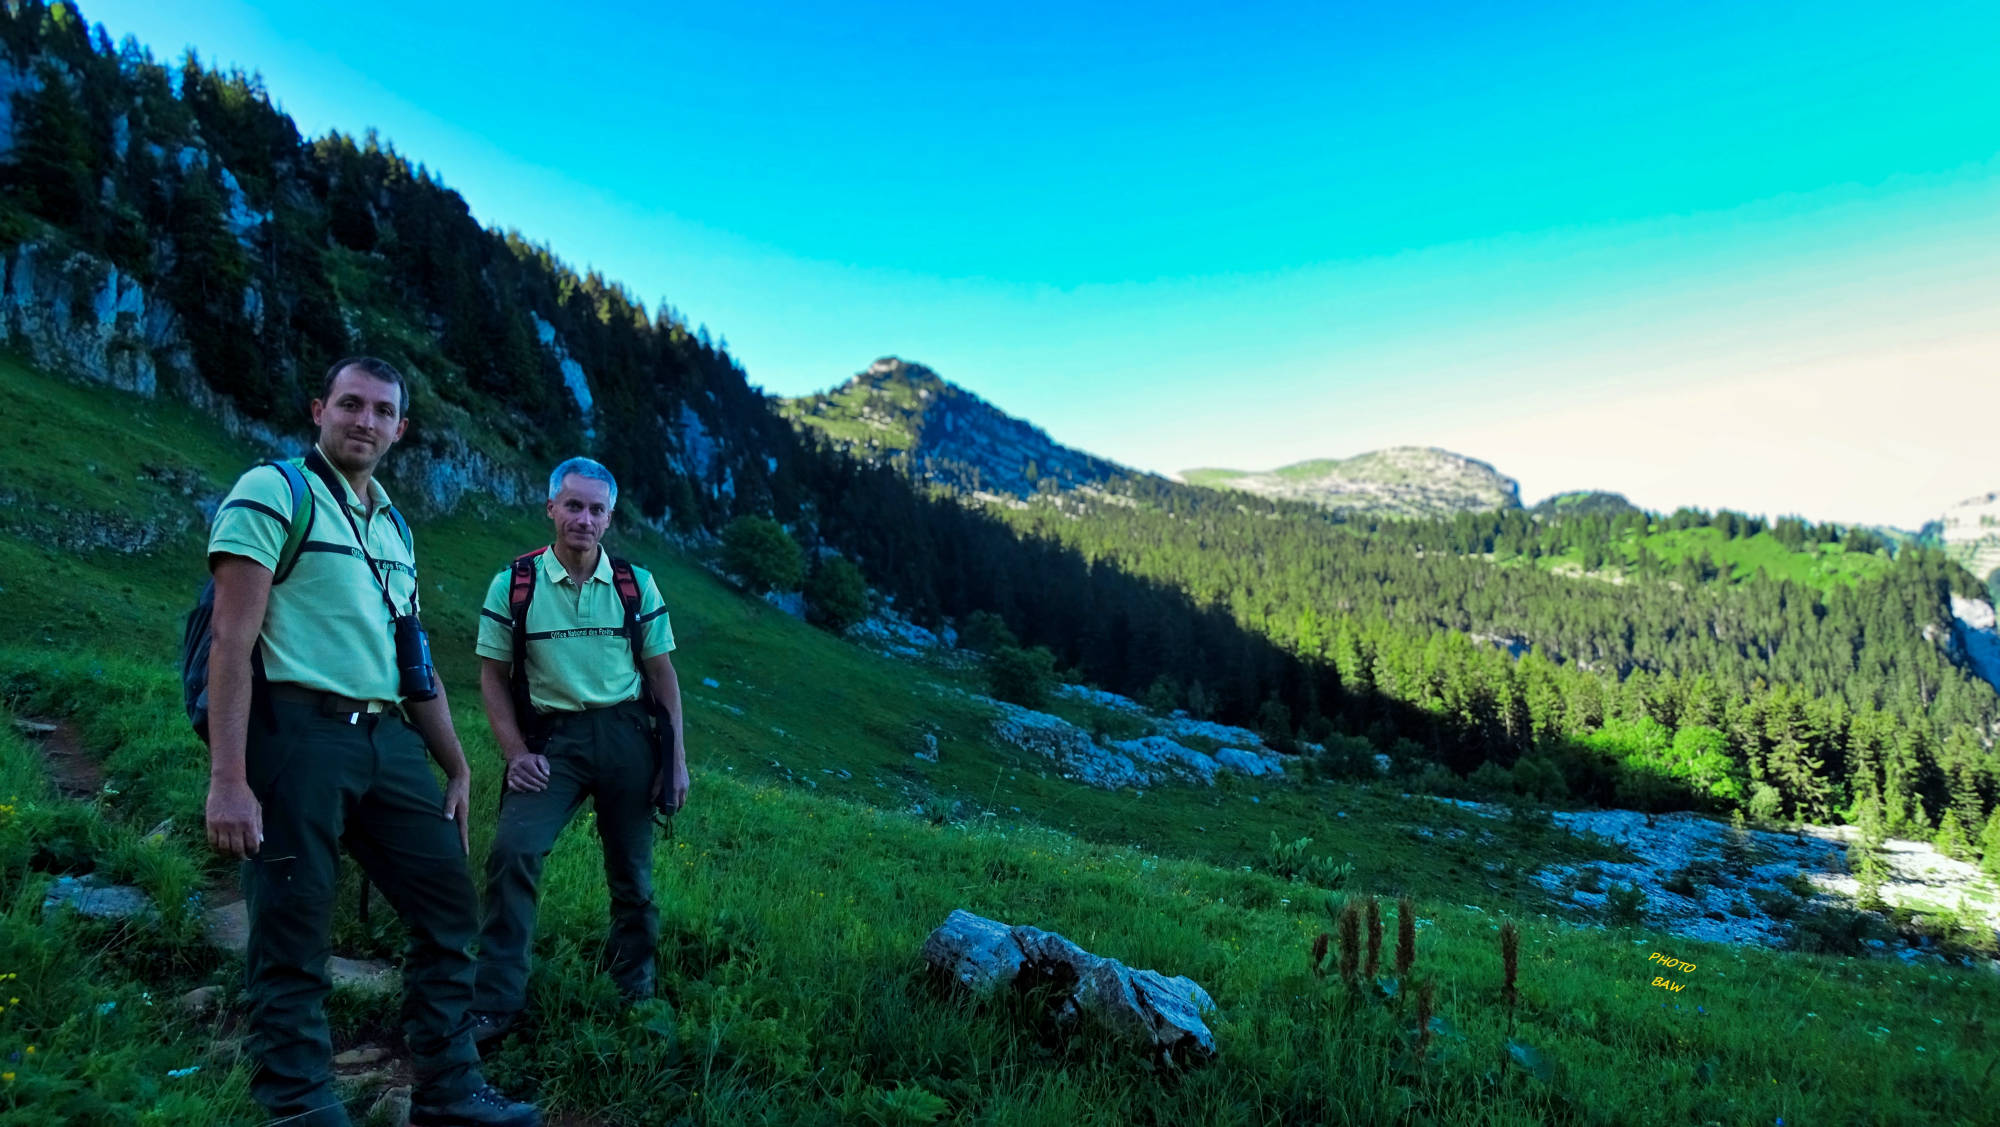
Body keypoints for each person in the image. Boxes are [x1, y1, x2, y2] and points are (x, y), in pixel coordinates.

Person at [204, 357, 540, 1127]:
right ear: (319, 409)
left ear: (400, 428)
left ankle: (450, 1089)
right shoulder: (273, 490)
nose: (364, 420)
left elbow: (411, 657)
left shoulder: (393, 523)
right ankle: (298, 1103)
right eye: (349, 404)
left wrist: (454, 761)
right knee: (295, 919)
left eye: (381, 411)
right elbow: (231, 638)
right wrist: (229, 778)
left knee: (447, 905)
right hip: (295, 735)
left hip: (385, 738)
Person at [468, 457, 687, 1042]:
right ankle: (496, 999)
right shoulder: (514, 583)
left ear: (609, 518)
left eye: (595, 509)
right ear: (551, 508)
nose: (583, 519)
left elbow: (662, 676)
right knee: (514, 851)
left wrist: (675, 761)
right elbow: (492, 676)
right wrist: (515, 753)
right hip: (551, 742)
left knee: (633, 874)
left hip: (627, 737)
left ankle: (632, 989)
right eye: (573, 505)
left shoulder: (634, 584)